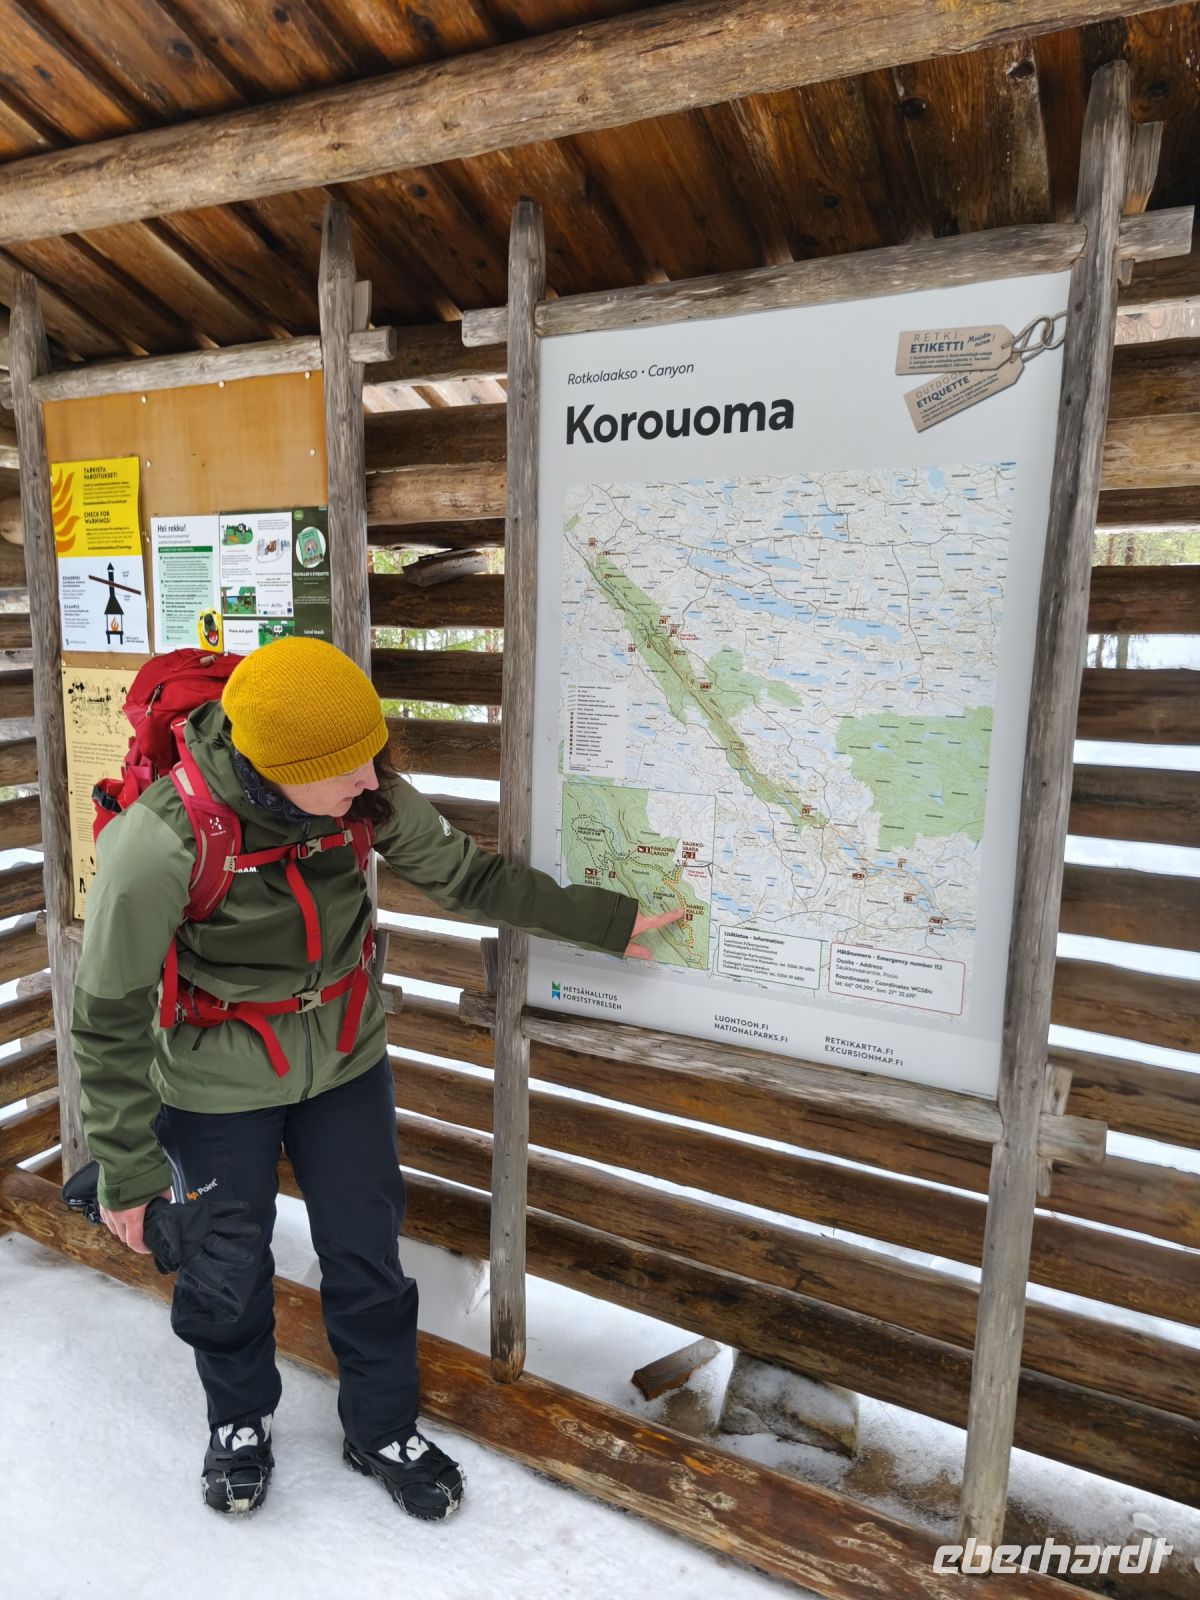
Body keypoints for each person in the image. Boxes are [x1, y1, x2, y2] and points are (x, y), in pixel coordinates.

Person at [72, 637, 679, 1521]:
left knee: (367, 1253)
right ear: (274, 771)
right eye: (346, 769)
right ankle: (239, 1420)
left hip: (346, 1060)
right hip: (215, 1081)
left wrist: (605, 921)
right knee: (222, 1265)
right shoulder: (161, 843)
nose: (372, 778)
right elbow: (108, 1012)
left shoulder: (359, 788)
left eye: (372, 756)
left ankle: (381, 1426)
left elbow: (465, 876)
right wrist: (127, 1172)